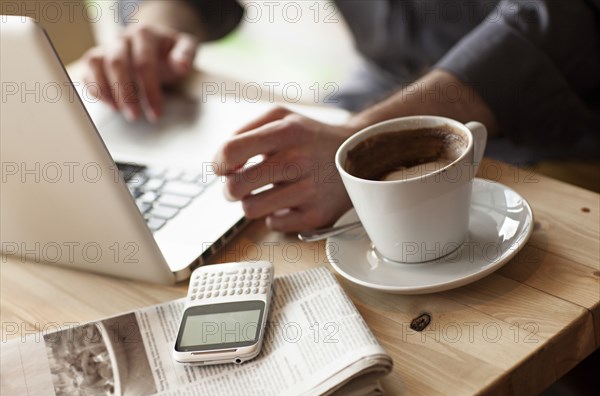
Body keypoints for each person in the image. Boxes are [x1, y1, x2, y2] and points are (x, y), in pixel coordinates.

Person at [81, 0, 600, 232]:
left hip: (569, 128)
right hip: (378, 90)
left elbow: (569, 17)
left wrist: (358, 142)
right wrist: (157, 24)